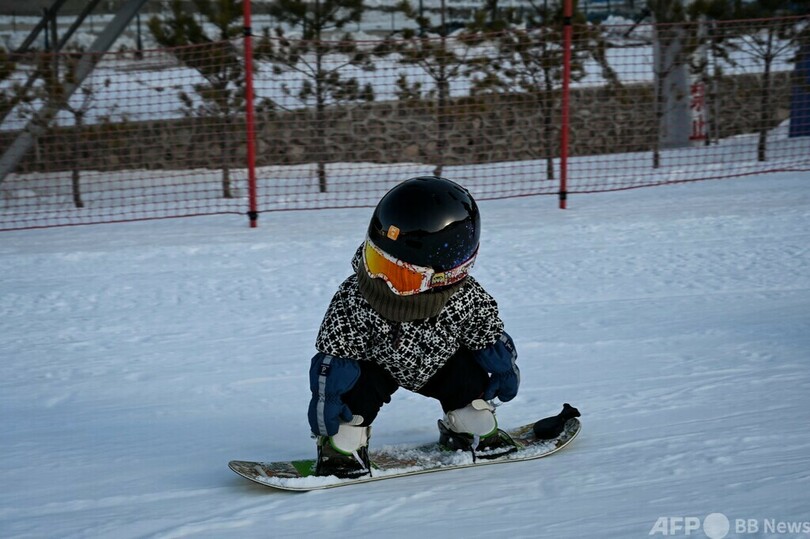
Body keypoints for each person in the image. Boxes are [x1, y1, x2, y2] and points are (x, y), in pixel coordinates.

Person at [307, 176, 520, 478]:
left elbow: (486, 335)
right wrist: (327, 397)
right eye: (376, 262)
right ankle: (342, 447)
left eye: (399, 275)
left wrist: (504, 368)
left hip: (442, 365)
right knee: (352, 403)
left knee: (474, 408)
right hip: (377, 368)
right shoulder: (355, 297)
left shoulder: (464, 299)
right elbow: (336, 353)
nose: (380, 281)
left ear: (445, 277)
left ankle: (465, 427)